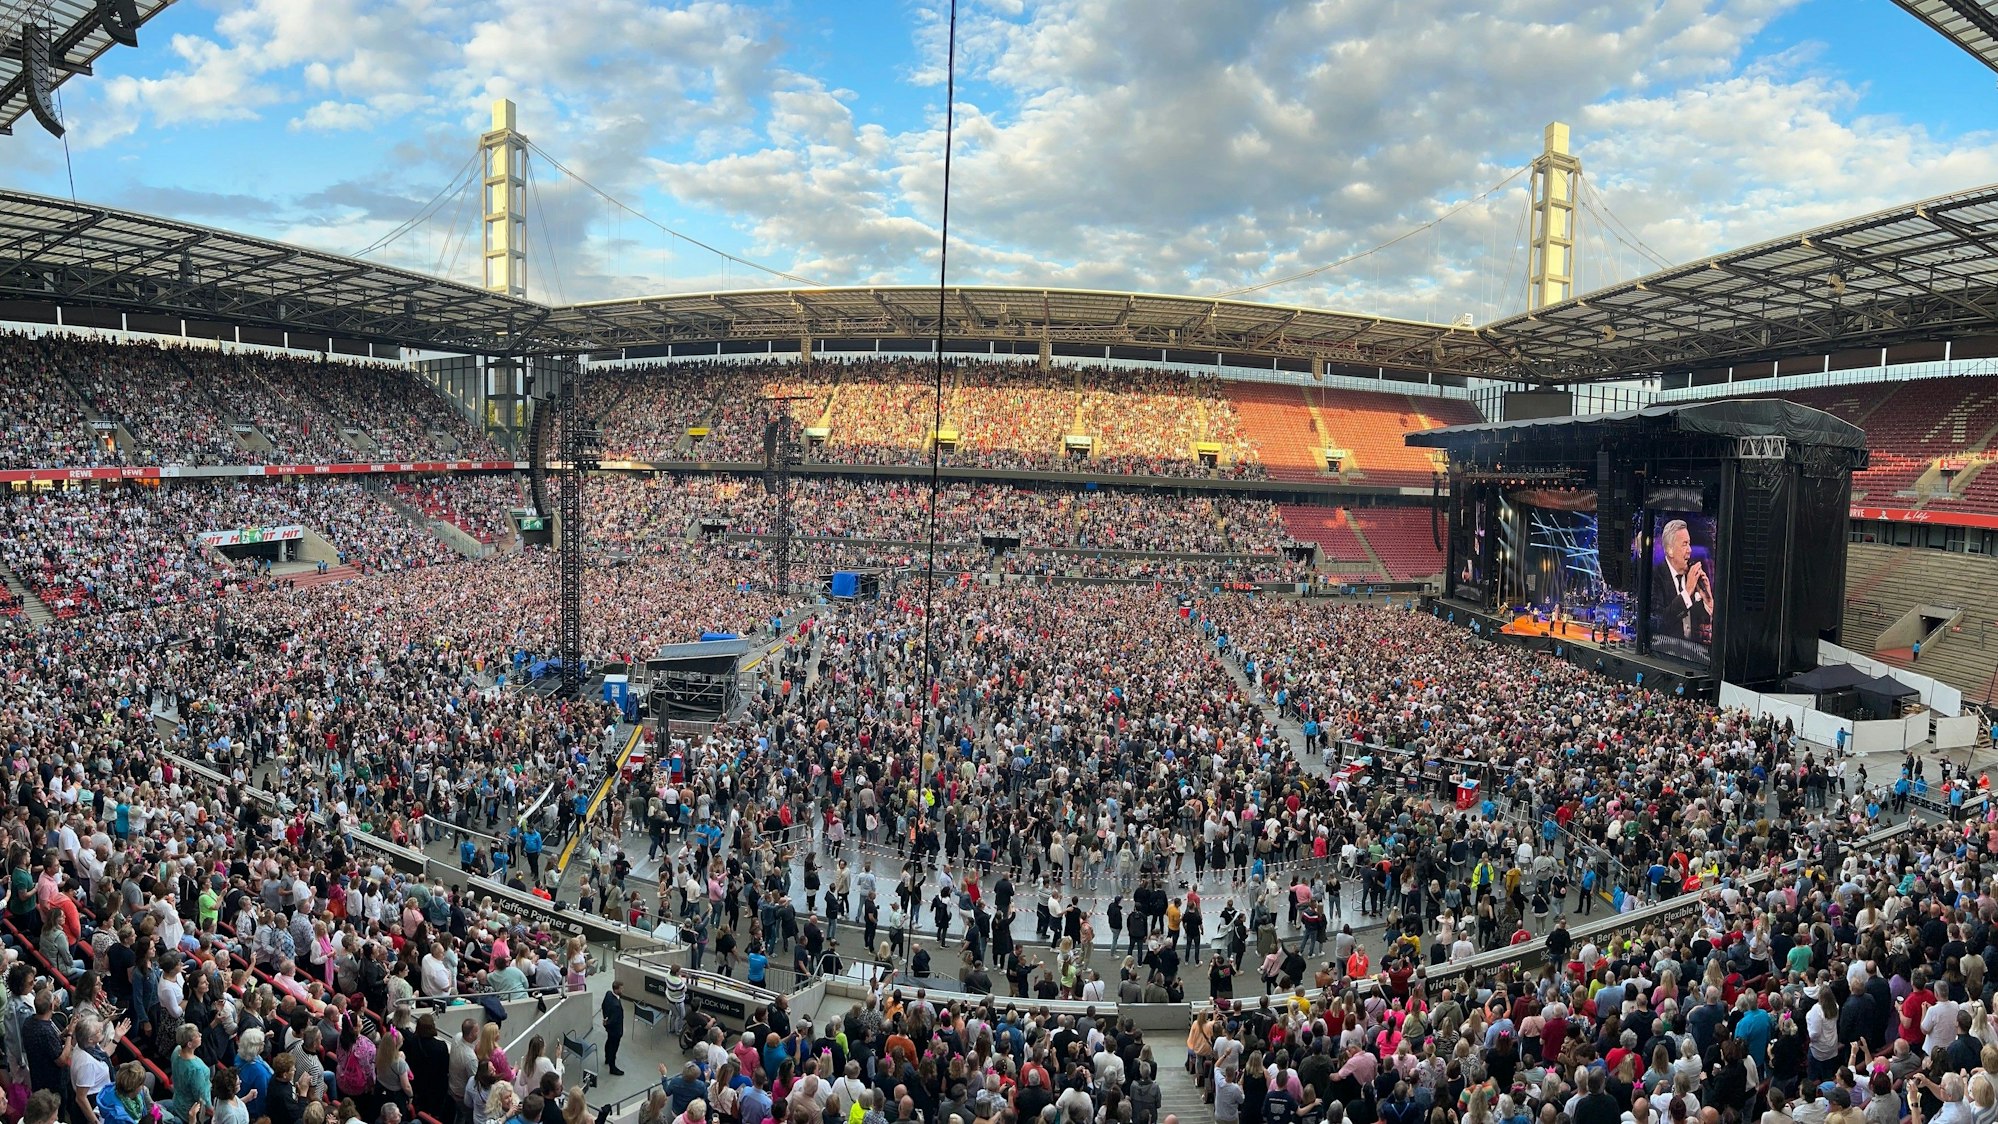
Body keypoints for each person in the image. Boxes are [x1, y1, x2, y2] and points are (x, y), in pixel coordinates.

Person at [1651, 518, 1713, 641]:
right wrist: (1687, 592)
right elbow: (1658, 624)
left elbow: (1705, 626)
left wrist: (1709, 602)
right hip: (1666, 650)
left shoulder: (1694, 576)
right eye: (1684, 544)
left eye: (1689, 543)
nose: (1690, 550)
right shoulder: (1655, 576)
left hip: (1695, 650)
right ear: (1670, 550)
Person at [601, 981, 626, 1076]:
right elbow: (614, 1020)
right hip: (615, 1031)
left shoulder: (608, 994)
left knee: (608, 1042)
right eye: (621, 988)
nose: (622, 990)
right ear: (616, 990)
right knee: (613, 1048)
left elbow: (603, 1006)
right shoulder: (616, 1005)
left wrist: (605, 1018)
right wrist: (607, 1023)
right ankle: (612, 1067)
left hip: (610, 1029)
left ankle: (607, 1058)